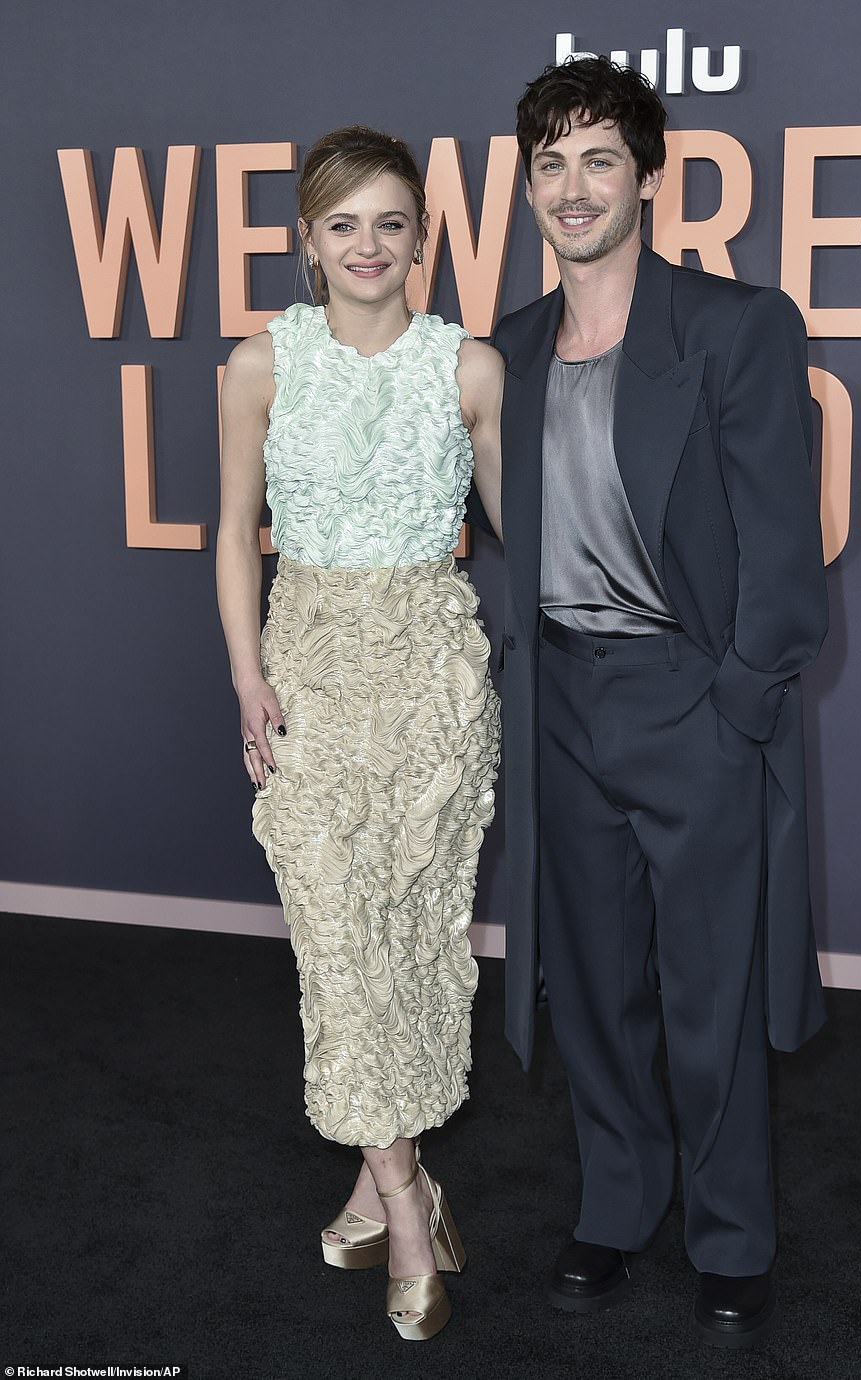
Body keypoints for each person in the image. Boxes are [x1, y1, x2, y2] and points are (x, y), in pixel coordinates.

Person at [476, 57, 829, 1347]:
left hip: (689, 703)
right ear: (525, 187)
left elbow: (782, 555)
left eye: (598, 161)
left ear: (646, 176)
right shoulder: (502, 352)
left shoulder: (734, 326)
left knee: (709, 989)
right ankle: (617, 1207)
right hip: (561, 704)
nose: (572, 189)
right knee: (597, 984)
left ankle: (729, 1234)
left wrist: (737, 703)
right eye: (549, 165)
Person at [215, 125, 502, 1342]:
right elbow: (234, 533)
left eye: (390, 222)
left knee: (409, 936)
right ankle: (402, 1198)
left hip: (434, 679)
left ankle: (381, 1176)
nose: (367, 245)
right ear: (308, 242)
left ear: (420, 236)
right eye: (343, 224)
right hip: (311, 672)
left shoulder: (469, 368)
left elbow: (524, 529)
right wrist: (249, 680)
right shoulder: (258, 363)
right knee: (332, 934)